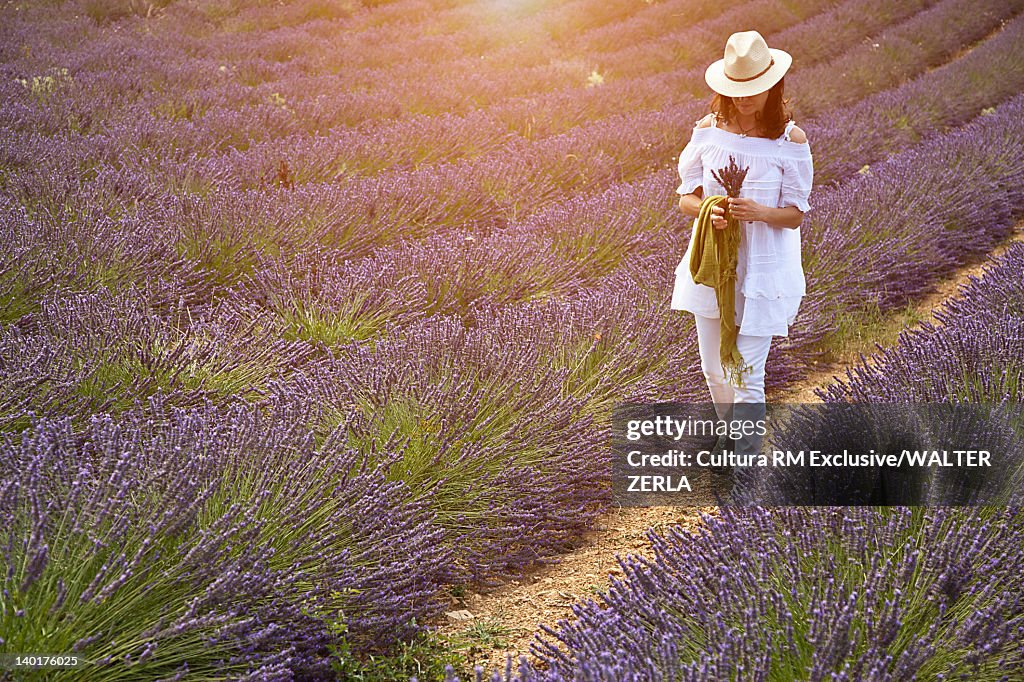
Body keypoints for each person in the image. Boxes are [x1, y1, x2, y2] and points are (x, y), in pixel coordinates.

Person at [671, 31, 813, 462]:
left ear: (773, 86)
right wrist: (708, 210)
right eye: (736, 90)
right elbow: (685, 198)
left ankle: (744, 464)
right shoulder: (708, 131)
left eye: (752, 90)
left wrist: (760, 213)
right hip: (716, 262)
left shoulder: (790, 141)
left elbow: (796, 213)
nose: (744, 99)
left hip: (764, 267)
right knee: (713, 369)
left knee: (747, 372)